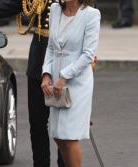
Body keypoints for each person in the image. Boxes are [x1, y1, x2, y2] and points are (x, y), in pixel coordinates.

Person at [0, 1, 65, 167]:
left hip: (66, 64)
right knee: (37, 123)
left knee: (65, 127)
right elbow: (8, 6)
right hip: (39, 62)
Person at [41, 0, 101, 166]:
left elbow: (88, 54)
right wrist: (46, 74)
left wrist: (65, 76)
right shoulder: (54, 10)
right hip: (56, 83)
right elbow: (51, 47)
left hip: (78, 83)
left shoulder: (91, 14)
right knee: (58, 135)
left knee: (69, 136)